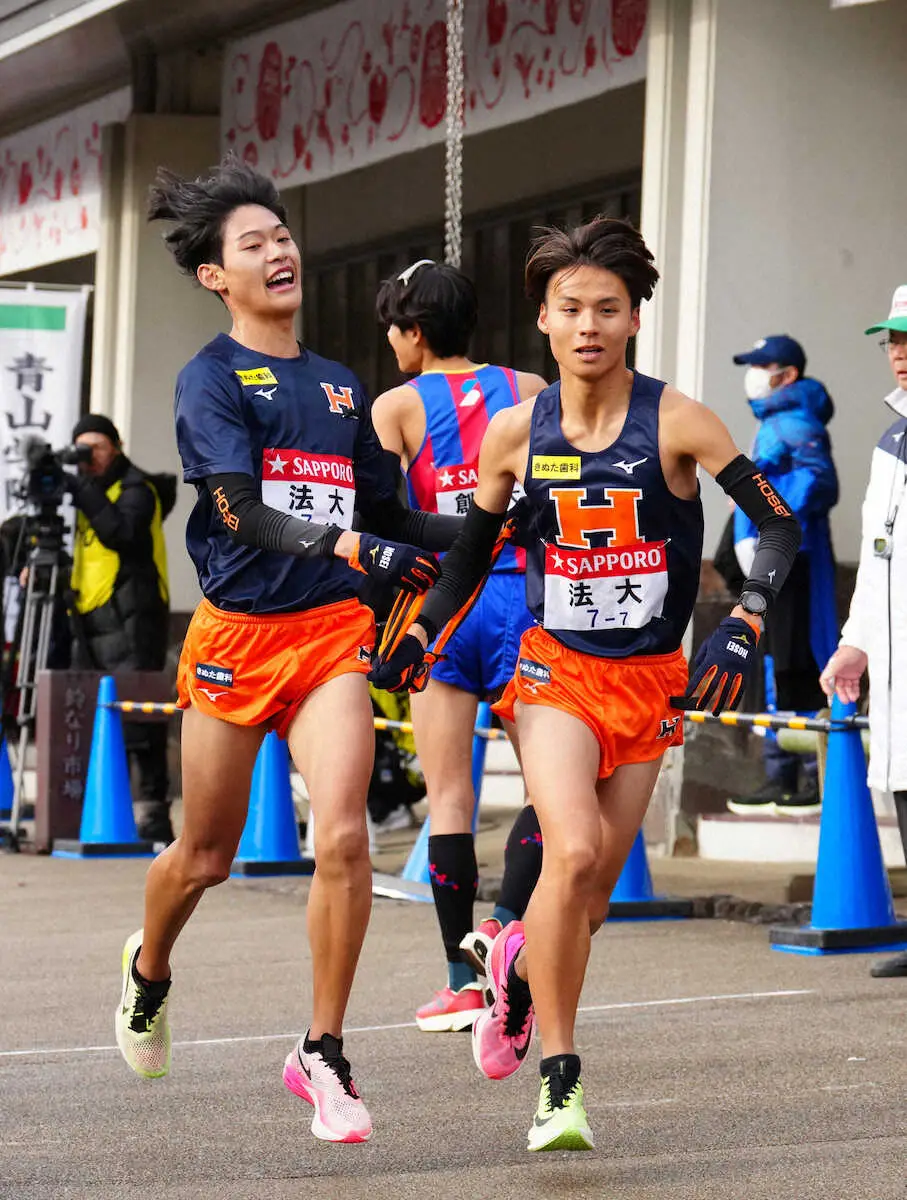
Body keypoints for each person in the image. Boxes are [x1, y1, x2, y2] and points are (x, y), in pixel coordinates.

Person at [371, 216, 801, 1151]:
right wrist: (421, 631)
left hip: (650, 681)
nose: (588, 325)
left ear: (634, 319)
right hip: (552, 671)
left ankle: (518, 977)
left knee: (590, 902)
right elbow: (469, 557)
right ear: (542, 319)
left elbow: (778, 527)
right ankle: (559, 1081)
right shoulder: (514, 435)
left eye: (607, 308)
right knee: (565, 856)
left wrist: (746, 615)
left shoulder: (679, 420)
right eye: (569, 308)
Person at [114, 155, 461, 1145]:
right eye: (253, 243)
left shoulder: (343, 388)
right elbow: (237, 508)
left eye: (282, 237)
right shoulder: (211, 380)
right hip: (234, 638)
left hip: (329, 641)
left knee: (343, 833)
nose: (279, 252)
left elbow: (395, 515)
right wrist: (353, 543)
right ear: (215, 275)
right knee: (206, 856)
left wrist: (495, 521)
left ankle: (322, 1050)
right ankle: (148, 975)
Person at [372, 259, 547, 1031]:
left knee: (449, 796)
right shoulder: (532, 389)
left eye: (392, 329)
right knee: (550, 790)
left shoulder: (394, 407)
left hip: (442, 603)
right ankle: (506, 929)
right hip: (525, 599)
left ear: (413, 331)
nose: (389, 341)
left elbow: (383, 519)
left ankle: (460, 980)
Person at [820, 284, 907, 980]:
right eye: (892, 342)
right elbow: (874, 554)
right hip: (895, 647)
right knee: (901, 780)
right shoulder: (892, 437)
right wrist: (856, 641)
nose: (899, 355)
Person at [726, 336, 838, 816]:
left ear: (788, 374)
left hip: (794, 558)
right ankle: (781, 773)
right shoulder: (776, 421)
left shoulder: (798, 420)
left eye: (763, 365)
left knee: (799, 660)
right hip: (768, 559)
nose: (754, 374)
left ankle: (812, 775)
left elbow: (820, 482)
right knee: (774, 662)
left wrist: (774, 520)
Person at [67, 414, 176, 844]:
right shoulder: (85, 492)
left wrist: (82, 492)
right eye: (81, 448)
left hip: (135, 620)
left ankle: (152, 815)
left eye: (96, 446)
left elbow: (123, 534)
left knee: (139, 721)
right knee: (94, 716)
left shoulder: (137, 489)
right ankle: (98, 809)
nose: (89, 456)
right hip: (91, 621)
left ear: (116, 446)